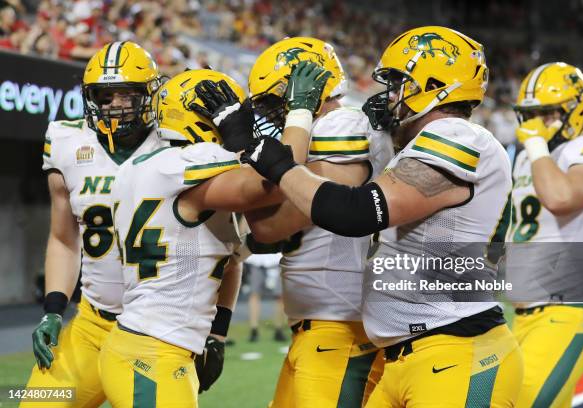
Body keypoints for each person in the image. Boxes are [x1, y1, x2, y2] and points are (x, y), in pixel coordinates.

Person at [243, 26, 523, 406]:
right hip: (406, 354)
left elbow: (356, 212)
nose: (389, 96)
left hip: (456, 347)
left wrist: (281, 166)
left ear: (434, 85)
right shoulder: (414, 145)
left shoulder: (457, 135)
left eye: (397, 84)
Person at [100, 68, 289, 407]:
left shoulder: (137, 166)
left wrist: (216, 334)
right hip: (153, 353)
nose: (237, 123)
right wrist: (246, 143)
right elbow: (281, 181)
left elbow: (230, 261)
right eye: (228, 115)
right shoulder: (193, 161)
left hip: (149, 344)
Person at [243, 37, 393, 407]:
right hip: (320, 326)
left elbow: (271, 226)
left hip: (340, 325)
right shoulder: (319, 130)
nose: (275, 114)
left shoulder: (341, 124)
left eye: (279, 100)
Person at [22, 41, 165, 408]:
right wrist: (54, 310)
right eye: (105, 95)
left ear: (149, 95)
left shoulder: (177, 144)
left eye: (127, 94)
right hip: (93, 322)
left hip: (156, 332)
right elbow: (63, 238)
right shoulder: (68, 143)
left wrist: (216, 328)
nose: (115, 104)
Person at [508, 62, 583, 407]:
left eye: (549, 113)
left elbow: (560, 198)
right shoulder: (528, 161)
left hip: (567, 312)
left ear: (576, 111)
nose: (538, 122)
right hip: (524, 316)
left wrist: (536, 145)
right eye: (531, 114)